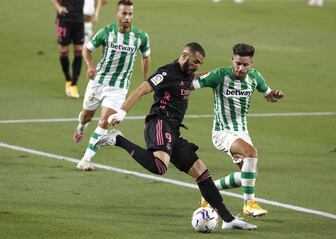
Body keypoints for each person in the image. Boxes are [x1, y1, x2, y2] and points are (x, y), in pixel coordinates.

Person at [93, 42, 257, 230]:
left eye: (200, 64)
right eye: (196, 62)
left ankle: (228, 220)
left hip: (174, 130)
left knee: (202, 173)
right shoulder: (167, 73)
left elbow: (195, 77)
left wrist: (220, 74)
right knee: (160, 166)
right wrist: (121, 112)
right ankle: (118, 139)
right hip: (160, 123)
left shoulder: (187, 74)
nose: (197, 66)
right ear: (185, 56)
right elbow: (141, 90)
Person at [192, 43, 284, 217]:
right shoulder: (220, 75)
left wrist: (275, 96)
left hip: (242, 132)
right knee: (251, 153)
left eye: (245, 65)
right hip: (222, 132)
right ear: (232, 60)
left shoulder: (255, 77)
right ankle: (249, 204)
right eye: (238, 64)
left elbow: (269, 97)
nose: (241, 68)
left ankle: (209, 192)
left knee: (250, 177)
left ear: (251, 64)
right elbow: (191, 85)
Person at [74, 0, 151, 171]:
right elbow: (87, 49)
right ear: (116, 14)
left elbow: (146, 56)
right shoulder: (106, 32)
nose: (127, 17)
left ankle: (85, 159)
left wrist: (147, 80)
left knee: (105, 121)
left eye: (130, 13)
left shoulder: (140, 37)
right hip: (98, 82)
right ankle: (82, 126)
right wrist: (90, 66)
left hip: (118, 88)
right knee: (86, 116)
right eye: (124, 13)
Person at [51, 0, 84, 99]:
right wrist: (59, 7)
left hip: (78, 19)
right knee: (63, 51)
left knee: (79, 51)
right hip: (64, 19)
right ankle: (68, 80)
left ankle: (74, 85)